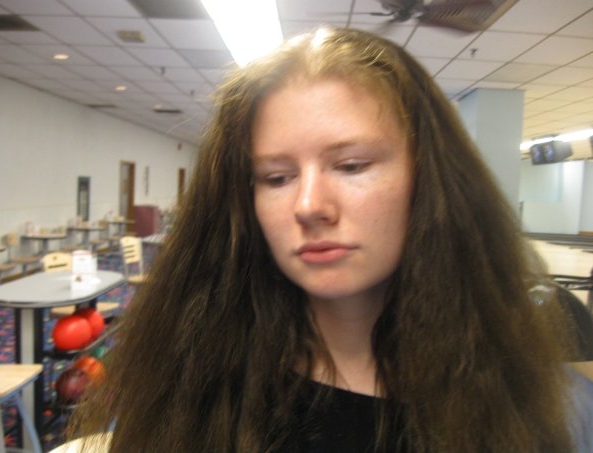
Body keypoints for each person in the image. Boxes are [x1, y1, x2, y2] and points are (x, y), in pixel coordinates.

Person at [71, 27, 589, 452]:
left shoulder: (534, 378)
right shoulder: (190, 378)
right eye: (276, 177)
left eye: (352, 165)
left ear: (427, 178)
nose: (308, 205)